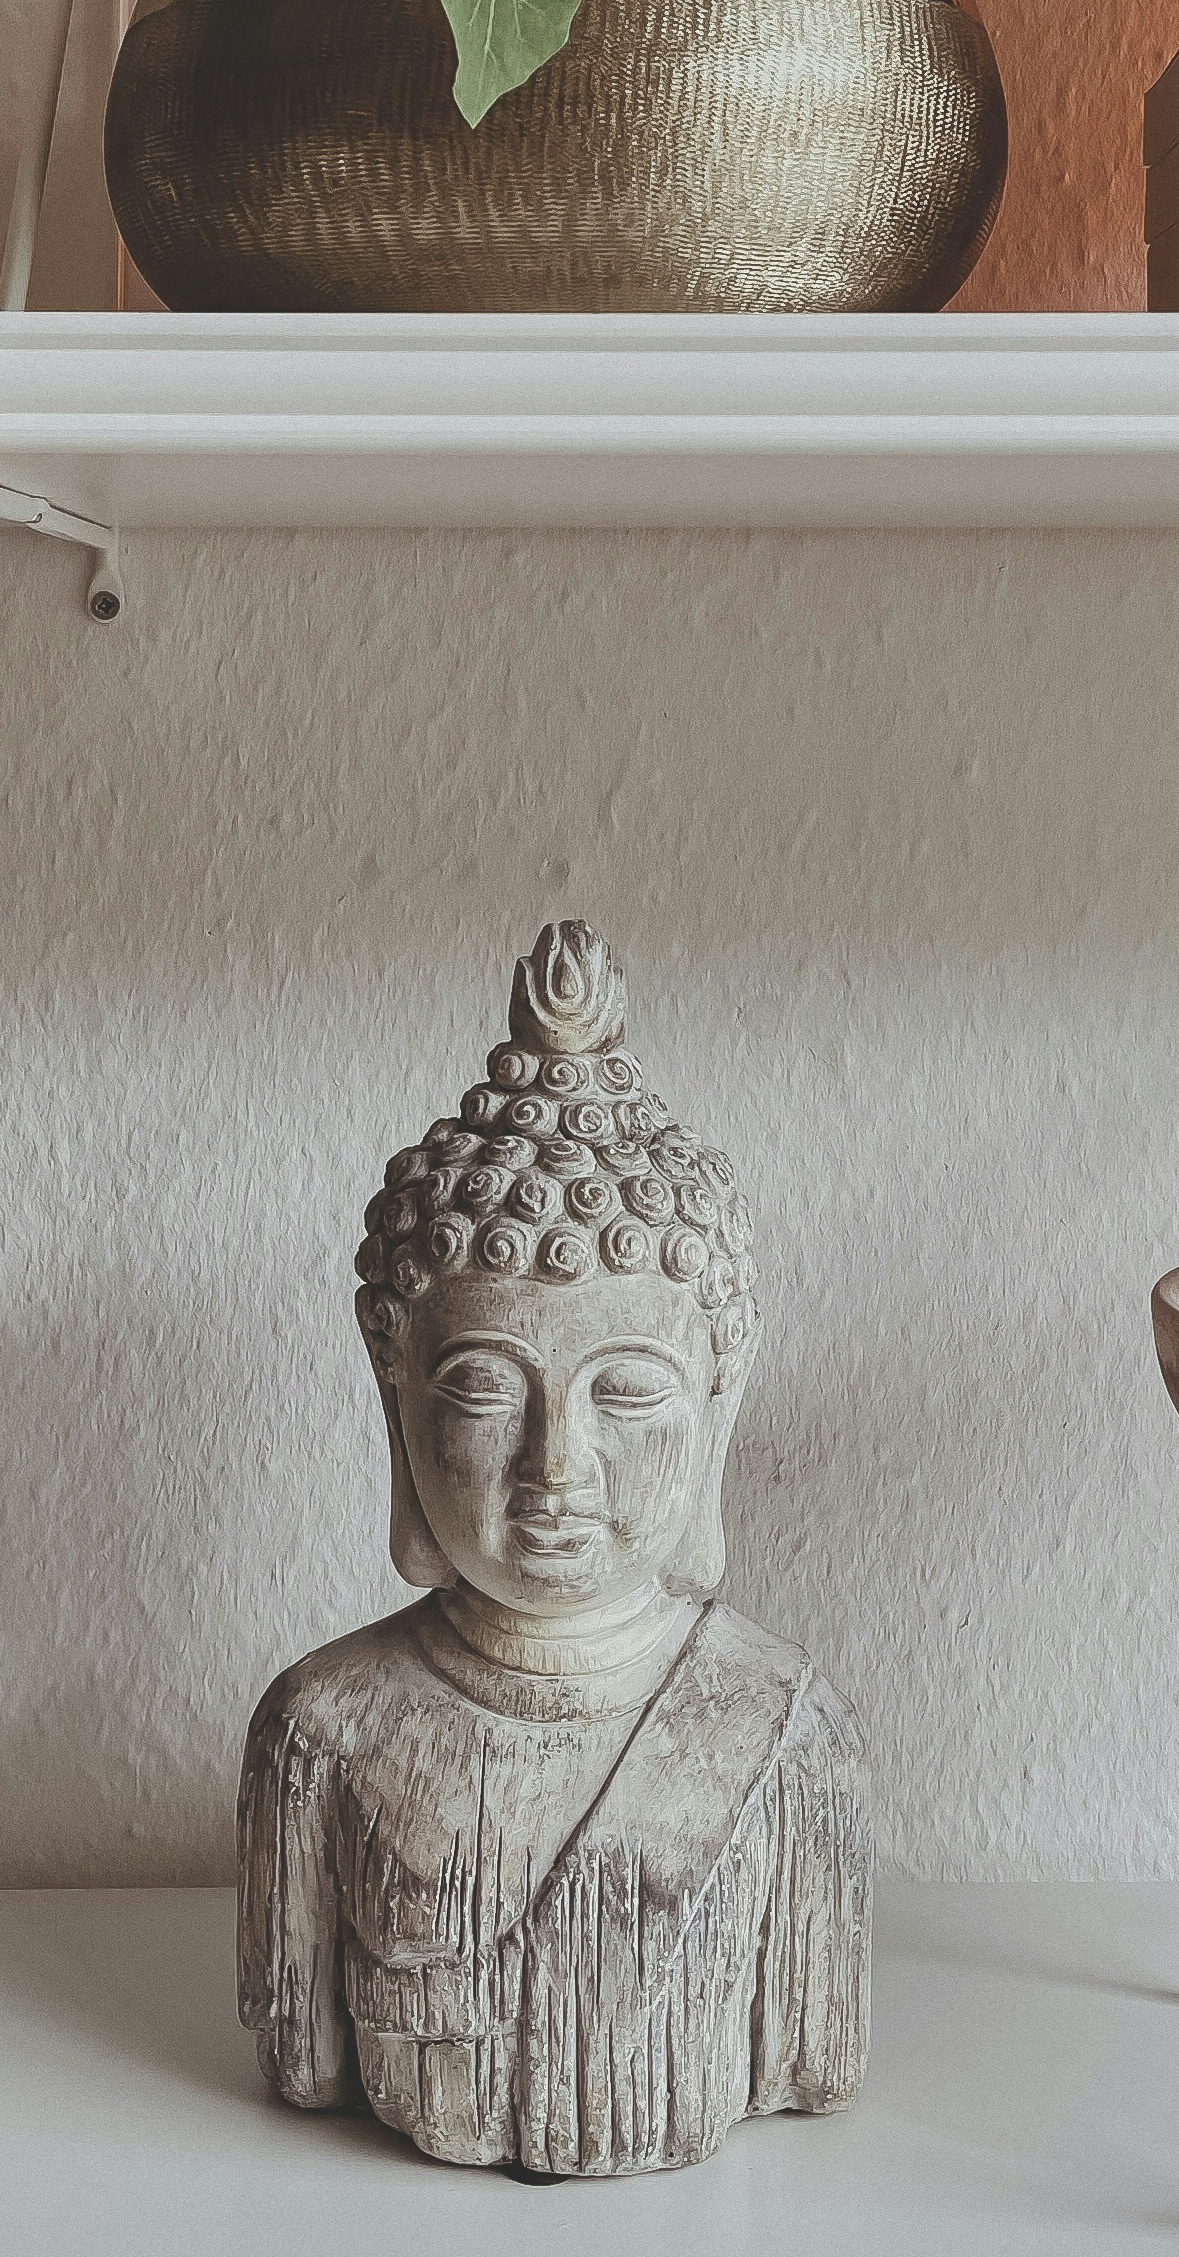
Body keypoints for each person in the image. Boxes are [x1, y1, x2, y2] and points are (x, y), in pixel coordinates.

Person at [238, 922, 869, 2178]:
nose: (555, 1467)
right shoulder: (321, 1732)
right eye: (484, 1388)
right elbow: (301, 2061)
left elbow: (822, 2055)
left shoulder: (789, 1737)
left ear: (719, 1404)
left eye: (625, 1392)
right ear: (395, 1396)